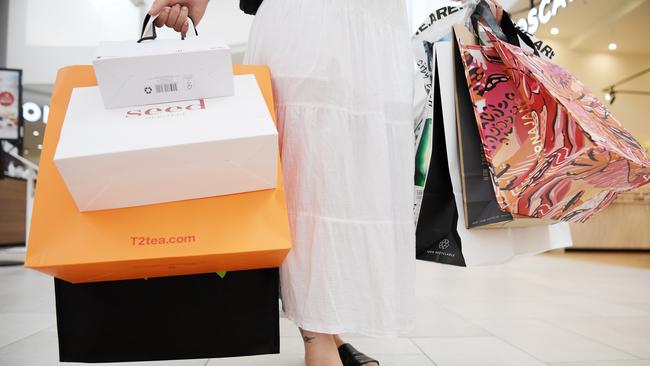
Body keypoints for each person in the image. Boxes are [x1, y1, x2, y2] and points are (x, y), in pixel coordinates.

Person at [145, 0, 501, 365]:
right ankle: (316, 338)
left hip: (376, 28)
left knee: (352, 180)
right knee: (309, 173)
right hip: (308, 19)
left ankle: (328, 328)